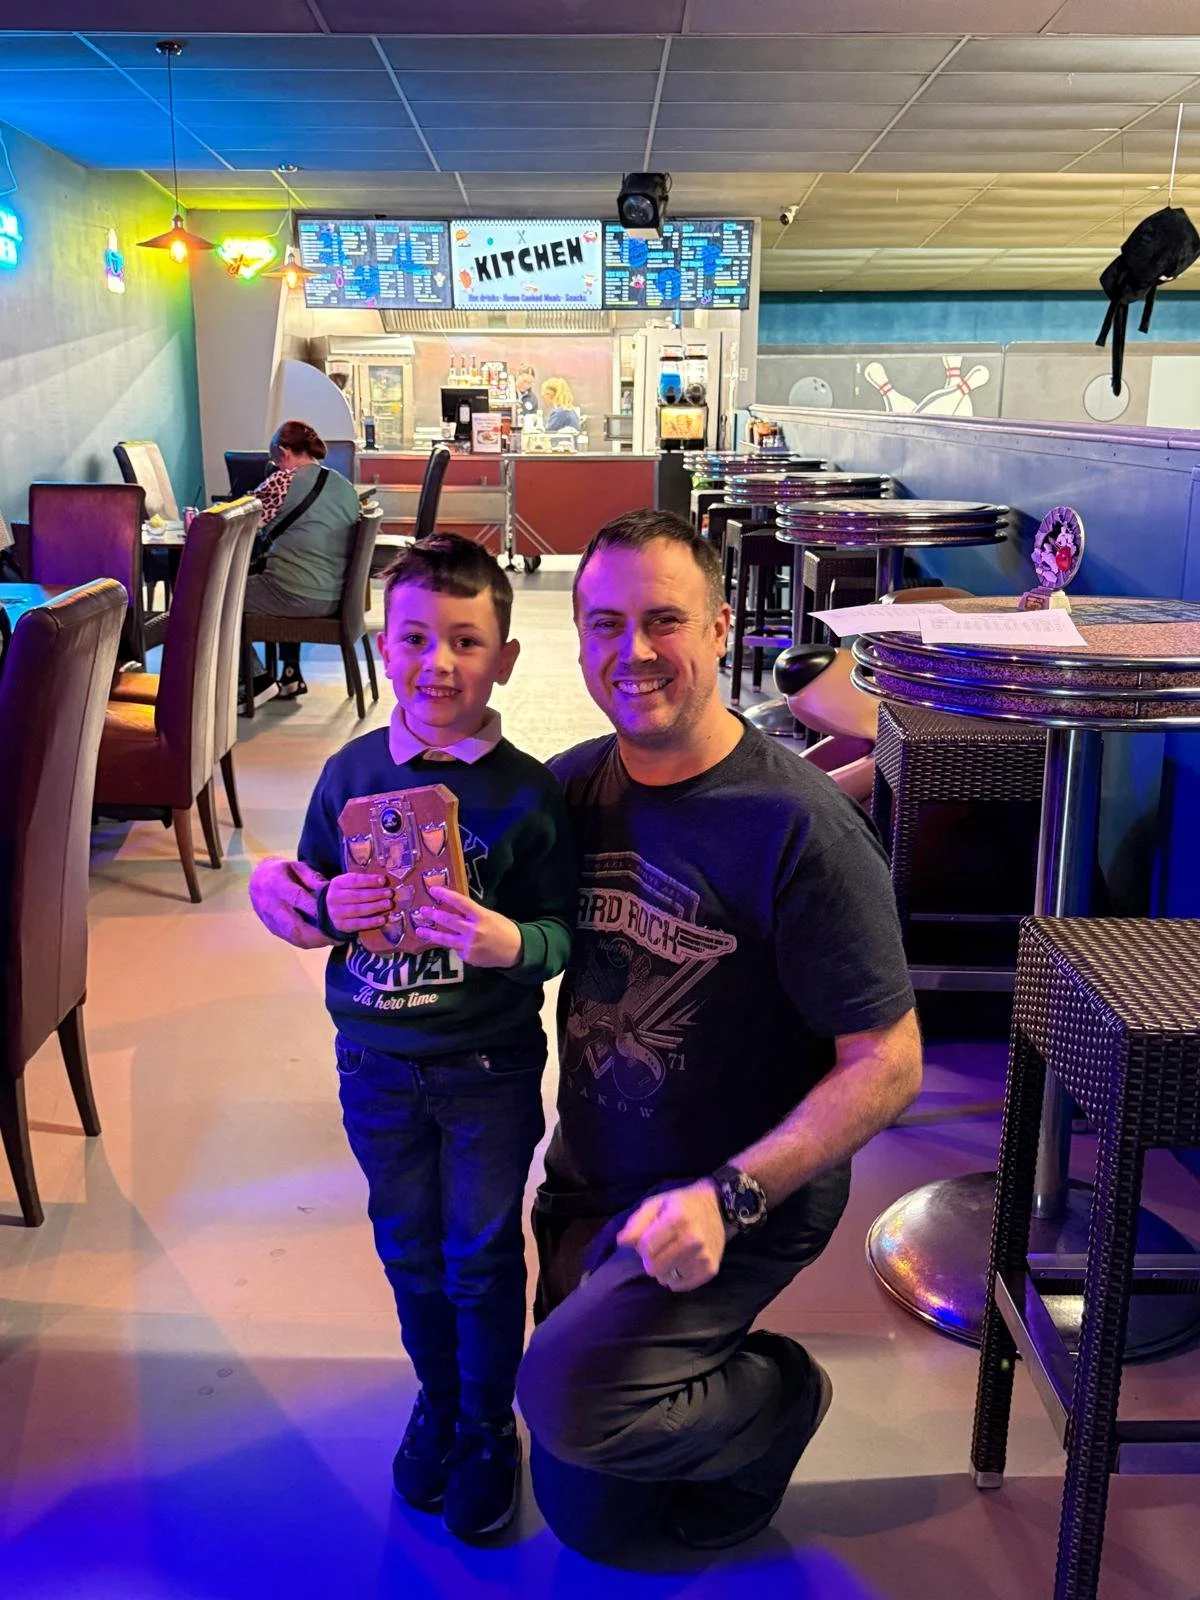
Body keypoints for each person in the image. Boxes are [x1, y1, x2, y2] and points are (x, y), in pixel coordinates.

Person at [249, 509, 921, 1561]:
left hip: (733, 1194)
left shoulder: (802, 830)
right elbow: (386, 866)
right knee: (593, 1501)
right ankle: (576, 1382)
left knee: (575, 1423)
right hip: (593, 1181)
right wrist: (288, 891)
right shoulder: (563, 788)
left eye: (665, 620)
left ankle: (781, 1387)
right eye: (606, 623)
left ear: (720, 626)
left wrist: (731, 1193)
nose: (633, 650)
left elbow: (890, 1062)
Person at [261, 532, 577, 1541]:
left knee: (479, 1253)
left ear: (505, 659)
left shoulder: (529, 793)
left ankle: (487, 1426)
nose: (438, 664)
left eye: (466, 641)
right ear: (383, 643)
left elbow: (562, 930)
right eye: (414, 639)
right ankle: (438, 1401)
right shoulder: (350, 772)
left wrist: (509, 941)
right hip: (375, 1066)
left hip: (488, 1068)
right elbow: (307, 897)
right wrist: (322, 903)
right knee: (407, 1248)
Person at [244, 419, 361, 699]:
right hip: (337, 596)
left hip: (297, 594)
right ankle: (290, 674)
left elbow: (241, 521)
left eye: (276, 462)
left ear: (284, 453)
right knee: (289, 570)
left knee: (217, 600)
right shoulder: (344, 486)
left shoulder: (282, 481)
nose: (277, 467)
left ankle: (257, 680)